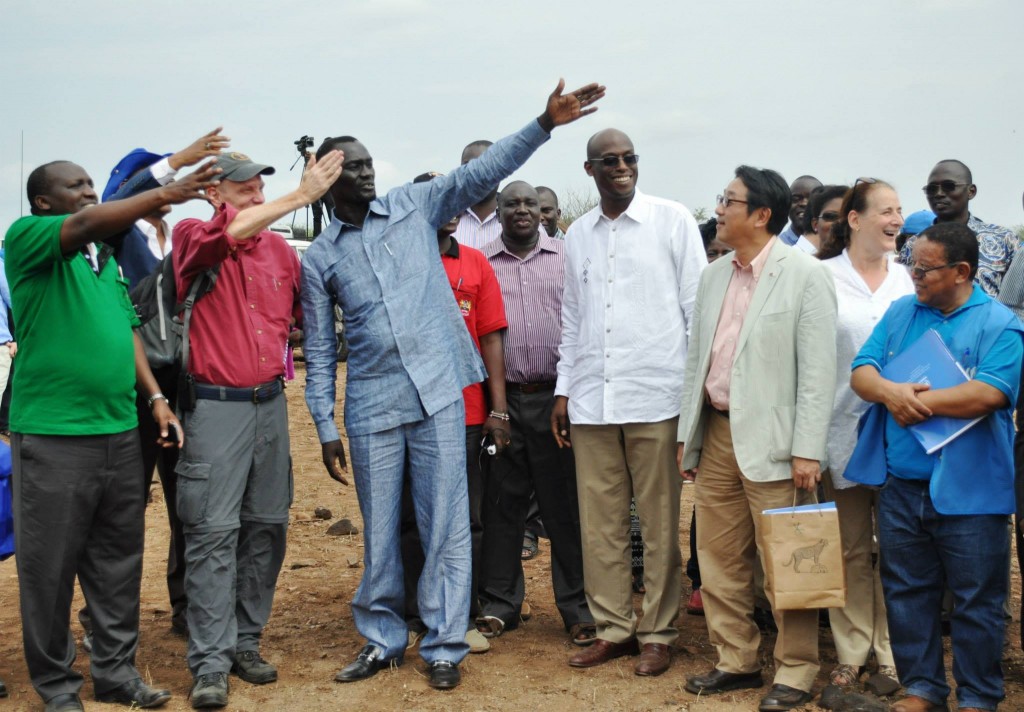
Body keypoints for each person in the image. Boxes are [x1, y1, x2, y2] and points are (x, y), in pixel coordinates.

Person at [301, 79, 605, 691]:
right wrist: (324, 422)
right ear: (325, 178)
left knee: (444, 521)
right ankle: (382, 638)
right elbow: (319, 348)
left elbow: (486, 169)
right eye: (350, 167)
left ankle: (443, 642)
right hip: (370, 405)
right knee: (381, 527)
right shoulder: (319, 257)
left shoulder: (414, 206)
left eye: (367, 164)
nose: (364, 174)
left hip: (440, 394)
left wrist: (543, 123)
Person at [5, 158, 218, 712]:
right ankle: (56, 688)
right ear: (43, 203)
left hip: (119, 431)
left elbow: (126, 333)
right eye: (72, 186)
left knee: (116, 562)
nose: (86, 193)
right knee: (49, 571)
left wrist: (154, 400)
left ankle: (116, 674)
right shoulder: (29, 240)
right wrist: (164, 191)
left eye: (90, 185)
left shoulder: (104, 263)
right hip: (54, 436)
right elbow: (83, 225)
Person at [172, 149, 343, 709]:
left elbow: (303, 323)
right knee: (213, 534)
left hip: (268, 404)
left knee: (266, 525)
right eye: (244, 188)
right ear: (215, 193)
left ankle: (246, 640)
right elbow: (226, 236)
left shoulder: (280, 254)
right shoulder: (192, 234)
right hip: (214, 408)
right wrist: (303, 196)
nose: (257, 195)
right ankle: (210, 661)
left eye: (261, 187)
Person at [678, 166, 837, 711]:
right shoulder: (713, 275)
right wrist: (688, 435)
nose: (719, 209)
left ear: (761, 214)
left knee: (789, 561)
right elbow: (698, 360)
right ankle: (736, 660)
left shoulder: (805, 274)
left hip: (779, 443)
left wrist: (807, 449)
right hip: (718, 433)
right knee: (718, 558)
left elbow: (819, 372)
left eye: (729, 200)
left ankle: (795, 670)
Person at [849, 221, 1023, 712]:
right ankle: (923, 689)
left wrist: (912, 401)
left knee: (976, 602)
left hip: (972, 491)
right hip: (902, 484)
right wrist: (889, 392)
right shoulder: (903, 312)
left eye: (923, 269)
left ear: (961, 271)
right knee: (906, 592)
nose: (913, 276)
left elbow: (990, 393)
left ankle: (979, 697)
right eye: (910, 264)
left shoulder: (999, 324)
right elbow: (862, 370)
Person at [553, 128, 706, 677]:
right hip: (593, 401)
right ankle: (614, 628)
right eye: (609, 160)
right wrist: (564, 389)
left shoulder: (672, 220)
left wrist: (693, 403)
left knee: (660, 523)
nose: (622, 167)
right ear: (589, 170)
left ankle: (659, 633)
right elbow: (572, 318)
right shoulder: (577, 236)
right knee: (601, 525)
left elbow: (696, 316)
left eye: (629, 158)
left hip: (656, 397)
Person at [105, 128, 231, 638]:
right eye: (170, 177)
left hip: (184, 384)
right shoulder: (117, 234)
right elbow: (120, 199)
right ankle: (111, 617)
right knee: (124, 506)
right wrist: (173, 162)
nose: (181, 184)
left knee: (189, 502)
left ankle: (185, 607)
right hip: (131, 387)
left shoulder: (179, 237)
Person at [477, 180, 594, 645]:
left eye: (529, 203)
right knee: (502, 504)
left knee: (564, 507)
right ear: (498, 211)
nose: (522, 210)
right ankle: (501, 604)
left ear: (542, 212)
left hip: (557, 399)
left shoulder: (567, 259)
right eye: (512, 204)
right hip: (500, 402)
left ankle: (578, 607)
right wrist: (495, 407)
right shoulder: (480, 262)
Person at [400, 171, 509, 656]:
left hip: (465, 413)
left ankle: (460, 613)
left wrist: (498, 411)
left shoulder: (475, 263)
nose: (445, 206)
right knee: (408, 518)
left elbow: (490, 338)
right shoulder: (394, 262)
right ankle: (411, 614)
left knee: (466, 518)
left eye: (451, 197)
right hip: (404, 411)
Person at [816, 179, 909, 689]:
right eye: (886, 210)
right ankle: (851, 651)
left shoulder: (909, 281)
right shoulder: (819, 277)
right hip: (841, 433)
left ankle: (893, 653)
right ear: (855, 219)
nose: (897, 219)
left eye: (900, 210)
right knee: (850, 548)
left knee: (899, 548)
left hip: (902, 436)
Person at [899, 160, 1018, 300]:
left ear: (971, 191)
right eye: (932, 189)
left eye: (948, 186)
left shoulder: (1002, 239)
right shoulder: (914, 245)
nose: (939, 193)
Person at [451, 140, 502, 249]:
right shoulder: (442, 222)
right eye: (468, 166)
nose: (477, 173)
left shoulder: (522, 221)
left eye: (486, 165)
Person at [796, 184, 846, 256]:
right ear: (815, 224)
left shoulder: (858, 264)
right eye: (831, 216)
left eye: (846, 218)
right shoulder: (793, 260)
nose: (839, 222)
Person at [777, 175, 822, 246]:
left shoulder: (833, 247)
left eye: (812, 199)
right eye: (796, 198)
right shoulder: (775, 246)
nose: (804, 204)